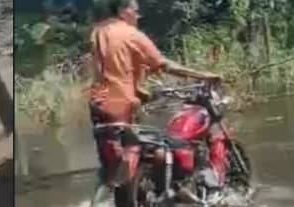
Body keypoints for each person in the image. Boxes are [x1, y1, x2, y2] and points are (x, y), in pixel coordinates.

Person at [88, 0, 223, 194]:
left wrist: (141, 92)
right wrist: (203, 75)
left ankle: (113, 191)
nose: (138, 16)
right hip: (122, 106)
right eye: (135, 11)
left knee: (114, 156)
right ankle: (168, 191)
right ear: (123, 11)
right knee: (162, 146)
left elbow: (110, 71)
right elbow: (163, 64)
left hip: (98, 106)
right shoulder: (131, 34)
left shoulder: (98, 32)